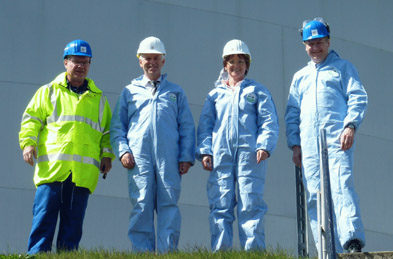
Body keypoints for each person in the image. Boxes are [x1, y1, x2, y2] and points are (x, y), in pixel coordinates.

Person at [19, 39, 114, 254]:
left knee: (72, 229)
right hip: (52, 170)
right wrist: (28, 143)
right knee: (43, 221)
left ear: (90, 65)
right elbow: (31, 119)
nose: (80, 66)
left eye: (85, 62)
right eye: (75, 61)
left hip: (82, 175)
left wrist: (107, 156)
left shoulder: (99, 99)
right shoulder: (48, 92)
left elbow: (107, 132)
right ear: (65, 62)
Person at [285, 18, 368, 253]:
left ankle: (352, 240)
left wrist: (350, 125)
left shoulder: (343, 68)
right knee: (314, 194)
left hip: (337, 139)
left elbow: (358, 96)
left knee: (341, 185)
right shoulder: (300, 77)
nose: (315, 48)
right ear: (304, 46)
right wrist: (295, 145)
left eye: (319, 42)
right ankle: (324, 250)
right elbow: (292, 113)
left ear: (328, 42)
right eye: (310, 44)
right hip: (309, 146)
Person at [110, 36, 195, 253]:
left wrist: (186, 156)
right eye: (147, 58)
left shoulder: (176, 92)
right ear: (140, 61)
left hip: (169, 160)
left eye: (156, 58)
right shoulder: (129, 91)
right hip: (139, 161)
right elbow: (118, 127)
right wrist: (123, 152)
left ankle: (168, 253)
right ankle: (142, 254)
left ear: (163, 61)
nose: (152, 62)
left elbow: (186, 127)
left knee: (168, 207)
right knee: (141, 206)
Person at [196, 39, 279, 251]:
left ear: (247, 64)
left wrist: (264, 146)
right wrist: (205, 151)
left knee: (250, 204)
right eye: (231, 61)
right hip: (221, 157)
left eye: (240, 61)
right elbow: (205, 126)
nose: (236, 65)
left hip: (250, 157)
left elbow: (269, 121)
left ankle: (253, 253)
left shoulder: (257, 90)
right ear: (225, 64)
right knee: (220, 205)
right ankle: (220, 252)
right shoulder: (214, 95)